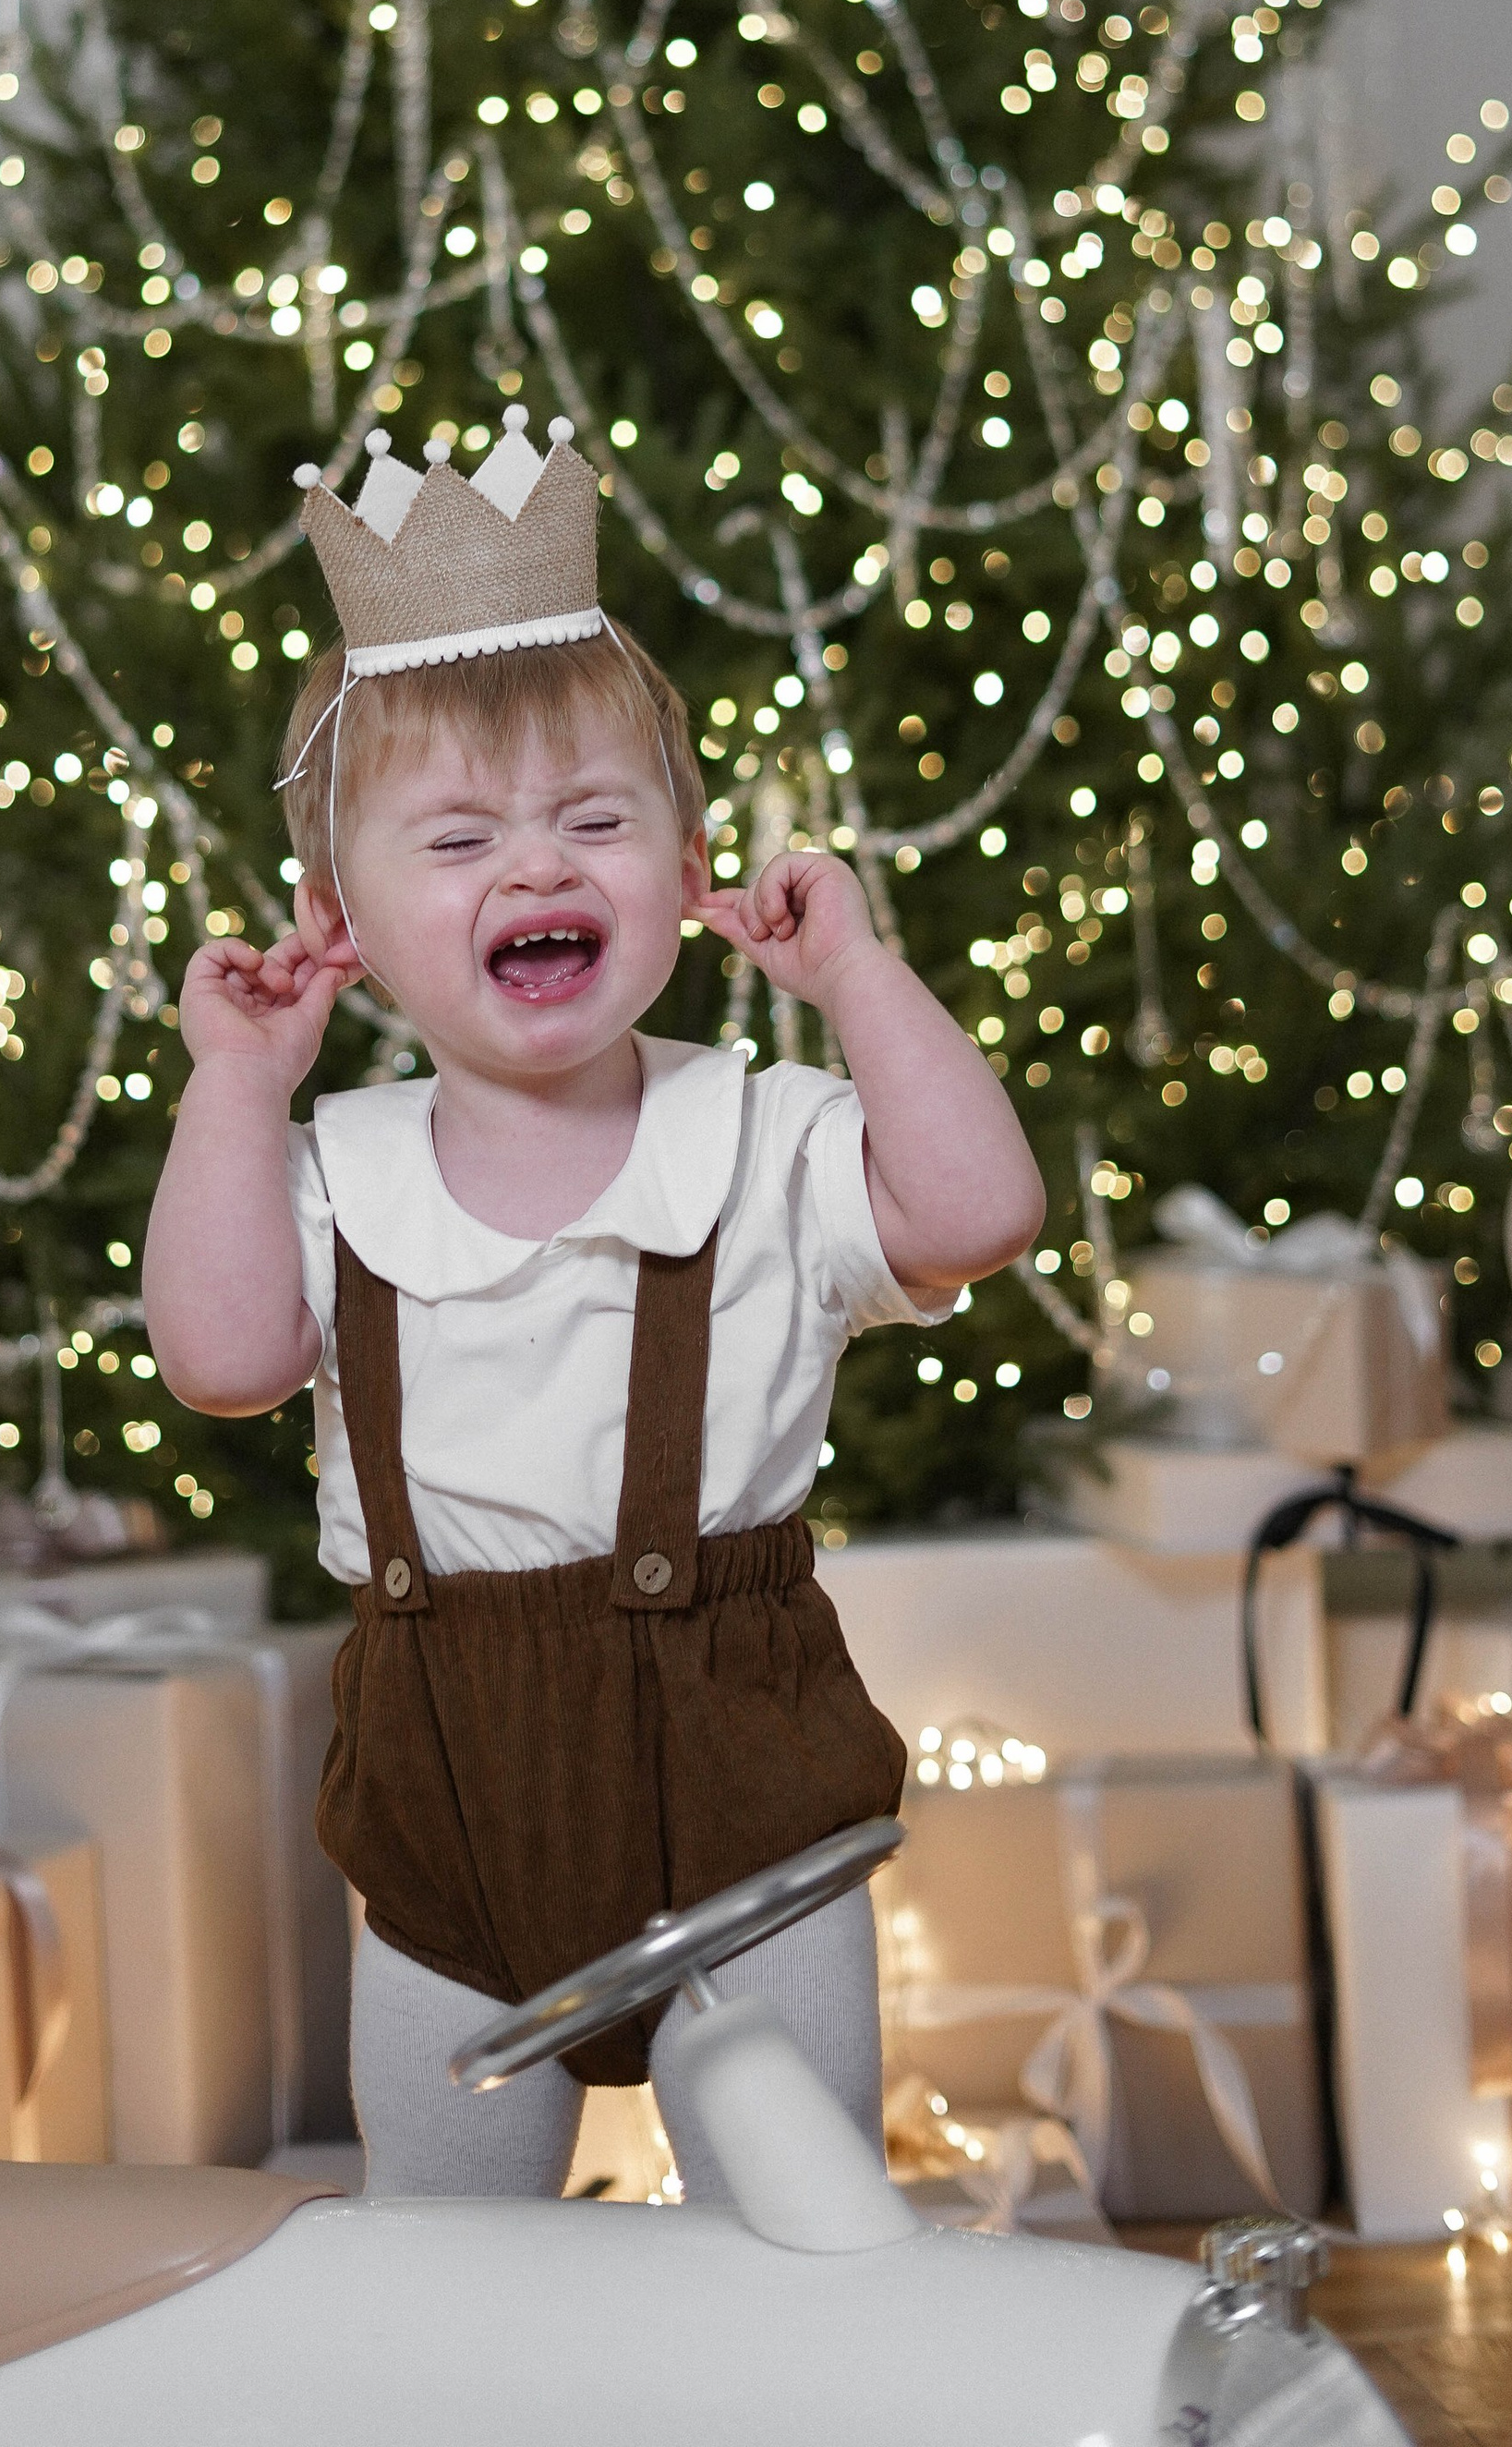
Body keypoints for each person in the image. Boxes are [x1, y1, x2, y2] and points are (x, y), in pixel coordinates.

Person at [144, 407, 1044, 2199]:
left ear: (685, 857)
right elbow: (223, 1359)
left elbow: (981, 1212)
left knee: (801, 2227)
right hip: (449, 1804)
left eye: (592, 820)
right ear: (342, 920)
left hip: (744, 1789)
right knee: (448, 2254)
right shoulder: (334, 1171)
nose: (537, 870)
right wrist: (233, 1085)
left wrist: (853, 975)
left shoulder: (763, 1140)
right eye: (458, 842)